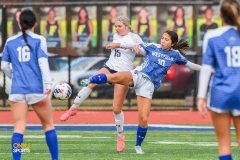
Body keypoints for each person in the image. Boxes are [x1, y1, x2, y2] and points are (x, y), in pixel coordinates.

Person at [80, 30, 201, 154]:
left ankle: (138, 146)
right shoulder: (153, 46)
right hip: (138, 75)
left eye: (166, 40)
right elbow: (135, 46)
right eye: (163, 38)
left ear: (173, 43)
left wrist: (206, 69)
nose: (163, 41)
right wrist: (119, 45)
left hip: (148, 85)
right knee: (115, 77)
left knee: (143, 119)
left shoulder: (175, 55)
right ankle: (90, 80)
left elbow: (191, 65)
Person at [60, 15, 143, 153]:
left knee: (116, 109)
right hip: (110, 67)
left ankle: (121, 136)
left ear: (127, 26)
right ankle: (73, 108)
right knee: (91, 82)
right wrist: (117, 43)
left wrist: (120, 45)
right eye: (115, 26)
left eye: (120, 26)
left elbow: (142, 49)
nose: (117, 29)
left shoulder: (134, 37)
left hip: (123, 73)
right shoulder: (115, 35)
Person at [1, 9, 58, 160]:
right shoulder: (40, 40)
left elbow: (5, 65)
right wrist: (48, 83)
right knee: (48, 126)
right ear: (36, 24)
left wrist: (15, 77)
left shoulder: (10, 42)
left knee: (19, 128)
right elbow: (42, 62)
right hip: (36, 89)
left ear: (19, 24)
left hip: (17, 90)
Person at [197, 0, 240, 160]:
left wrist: (201, 96)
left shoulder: (212, 35)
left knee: (224, 144)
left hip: (220, 93)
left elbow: (207, 68)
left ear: (220, 15)